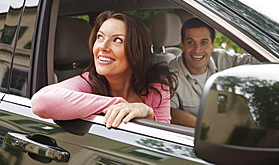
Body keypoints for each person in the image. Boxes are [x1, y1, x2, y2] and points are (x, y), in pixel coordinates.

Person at [32, 11, 175, 128]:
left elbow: (162, 140)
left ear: (136, 53)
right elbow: (41, 102)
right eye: (100, 37)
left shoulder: (157, 83)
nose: (103, 47)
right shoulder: (90, 81)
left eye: (117, 40)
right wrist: (118, 104)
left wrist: (148, 114)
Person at [169, 18, 259, 128]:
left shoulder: (224, 60)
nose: (197, 49)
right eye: (191, 42)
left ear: (213, 45)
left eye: (204, 42)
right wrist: (207, 128)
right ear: (182, 45)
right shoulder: (170, 75)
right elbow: (169, 113)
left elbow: (261, 59)